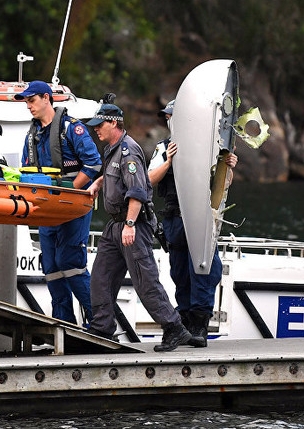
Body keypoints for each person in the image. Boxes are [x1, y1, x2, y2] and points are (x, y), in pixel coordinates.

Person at [85, 103, 192, 352]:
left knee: (145, 281)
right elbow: (116, 175)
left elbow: (137, 191)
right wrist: (99, 182)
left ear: (114, 123)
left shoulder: (128, 151)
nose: (96, 130)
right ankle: (102, 329)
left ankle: (174, 328)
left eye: (100, 125)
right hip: (116, 226)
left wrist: (130, 225)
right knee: (101, 278)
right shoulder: (111, 149)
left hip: (133, 224)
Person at [147, 100, 237, 347]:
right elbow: (149, 179)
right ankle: (185, 323)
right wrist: (168, 161)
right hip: (175, 217)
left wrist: (229, 167)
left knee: (204, 269)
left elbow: (224, 185)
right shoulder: (163, 147)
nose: (169, 120)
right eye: (167, 117)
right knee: (179, 271)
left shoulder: (209, 146)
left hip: (200, 216)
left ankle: (200, 326)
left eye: (172, 116)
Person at [15, 81, 102, 325]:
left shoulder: (71, 129)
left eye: (31, 100)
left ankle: (100, 321)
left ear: (46, 98)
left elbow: (93, 163)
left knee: (71, 263)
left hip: (72, 207)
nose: (28, 106)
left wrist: (71, 192)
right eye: (26, 102)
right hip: (46, 210)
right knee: (52, 266)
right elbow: (26, 171)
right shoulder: (31, 136)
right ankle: (63, 324)